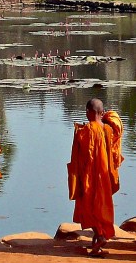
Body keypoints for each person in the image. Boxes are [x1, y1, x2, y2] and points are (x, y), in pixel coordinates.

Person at [68, 98, 123, 257]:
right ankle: (99, 238)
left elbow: (81, 156)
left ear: (88, 112)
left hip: (89, 177)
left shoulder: (85, 131)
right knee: (102, 205)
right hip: (104, 176)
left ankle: (99, 237)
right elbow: (113, 149)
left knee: (89, 207)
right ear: (102, 112)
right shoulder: (108, 130)